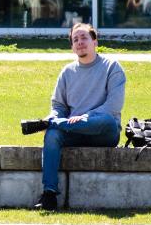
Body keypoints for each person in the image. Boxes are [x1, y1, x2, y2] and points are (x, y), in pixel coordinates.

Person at [21, 21, 127, 209]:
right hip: (74, 130)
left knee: (106, 120)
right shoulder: (67, 72)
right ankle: (49, 194)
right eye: (75, 39)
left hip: (103, 131)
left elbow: (113, 106)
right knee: (52, 135)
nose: (79, 42)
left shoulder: (112, 67)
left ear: (95, 42)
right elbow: (58, 106)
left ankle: (51, 124)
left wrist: (85, 117)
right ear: (72, 47)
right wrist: (57, 117)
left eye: (84, 37)